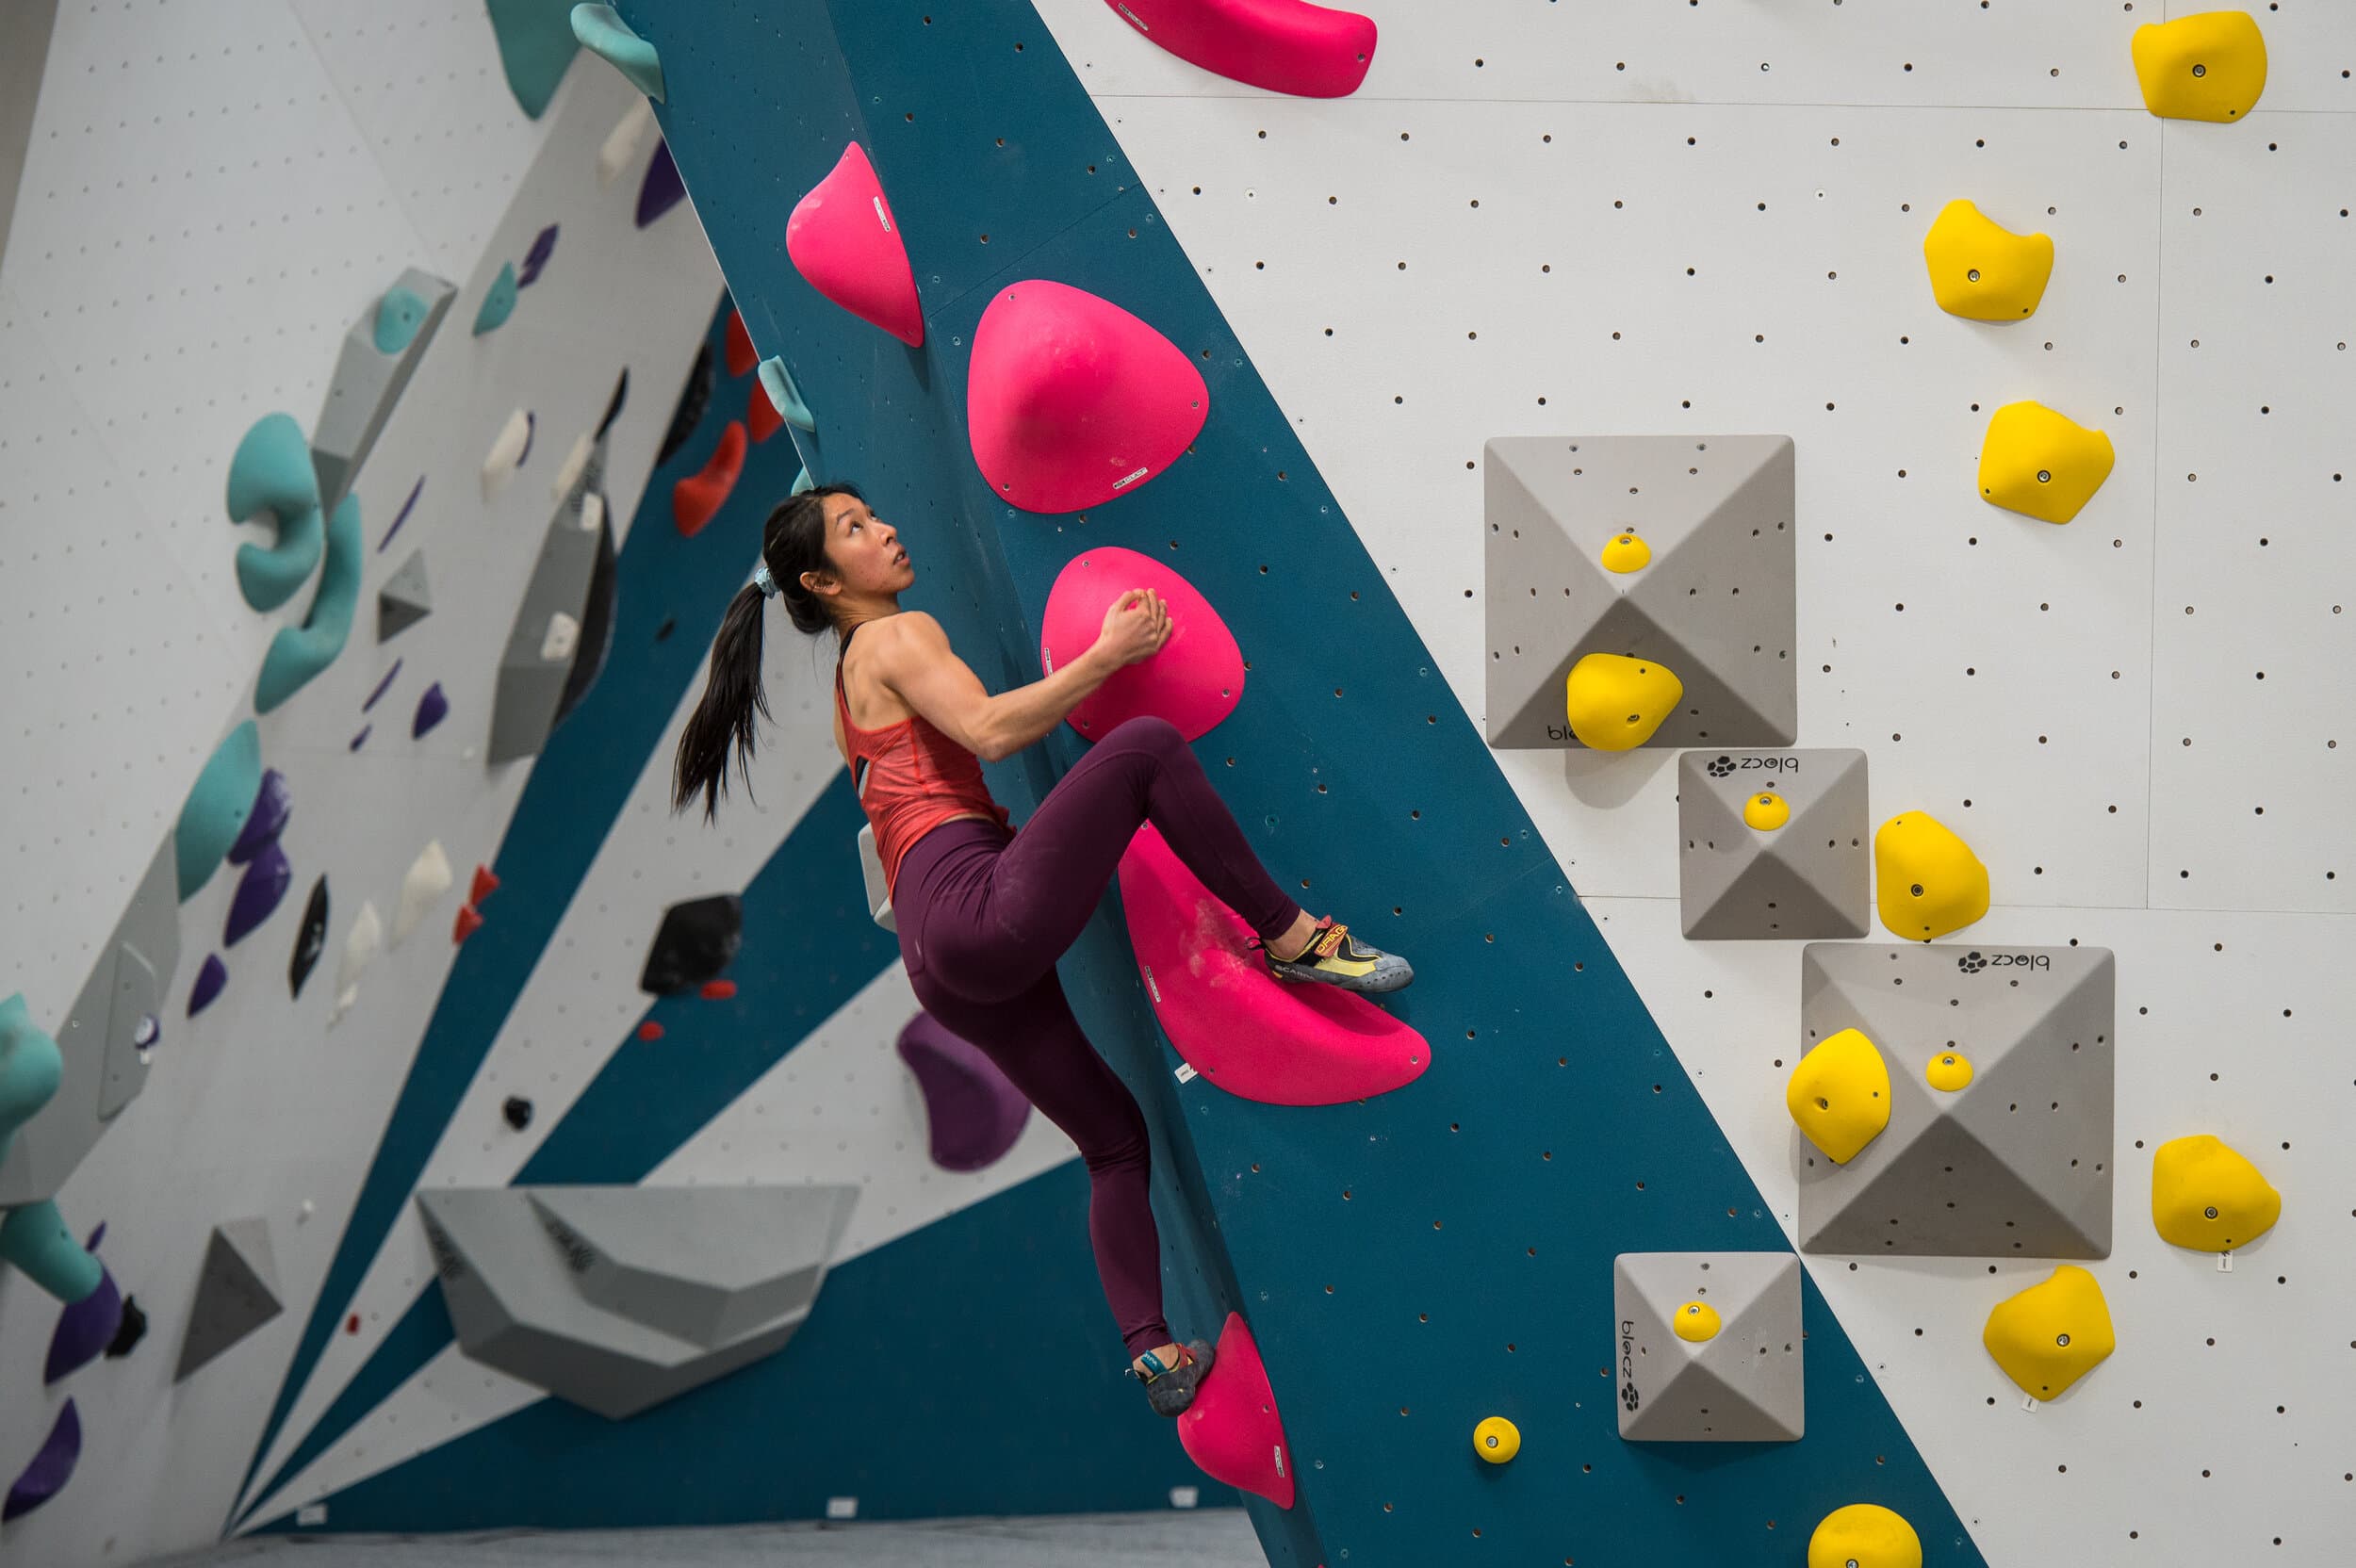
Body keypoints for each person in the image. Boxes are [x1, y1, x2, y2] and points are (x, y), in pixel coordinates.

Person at [671, 483, 1413, 1416]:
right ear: (822, 579)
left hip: (938, 959)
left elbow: (916, 800)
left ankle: (1150, 1349)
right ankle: (1297, 938)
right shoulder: (896, 637)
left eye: (873, 512)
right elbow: (986, 728)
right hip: (967, 906)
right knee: (1143, 744)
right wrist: (1108, 654)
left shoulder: (847, 682)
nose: (887, 527)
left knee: (1112, 1140)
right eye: (855, 529)